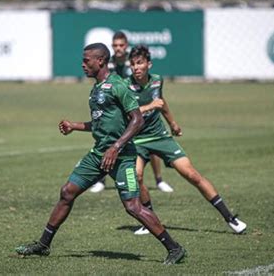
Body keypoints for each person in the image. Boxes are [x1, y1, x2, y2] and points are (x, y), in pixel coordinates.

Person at [15, 43, 186, 265]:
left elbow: (137, 119)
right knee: (67, 192)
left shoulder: (117, 85)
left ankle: (174, 248)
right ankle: (44, 244)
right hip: (98, 155)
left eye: (87, 60)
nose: (83, 64)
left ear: (101, 61)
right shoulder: (96, 88)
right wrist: (74, 125)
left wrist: (116, 147)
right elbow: (99, 124)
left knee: (133, 207)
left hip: (123, 156)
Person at [125, 45, 247, 235]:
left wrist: (173, 123)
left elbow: (162, 102)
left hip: (160, 136)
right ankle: (149, 221)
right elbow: (127, 114)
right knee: (138, 176)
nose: (136, 67)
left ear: (149, 64)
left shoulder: (157, 80)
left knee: (192, 174)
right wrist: (149, 106)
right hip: (137, 139)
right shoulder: (125, 86)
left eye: (139, 63)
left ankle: (230, 218)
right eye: (132, 64)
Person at [90, 31, 174, 193]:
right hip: (117, 106)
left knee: (151, 138)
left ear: (126, 45)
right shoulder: (110, 63)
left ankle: (159, 180)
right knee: (107, 139)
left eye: (121, 45)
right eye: (115, 45)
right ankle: (101, 180)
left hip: (136, 104)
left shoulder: (133, 62)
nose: (118, 48)